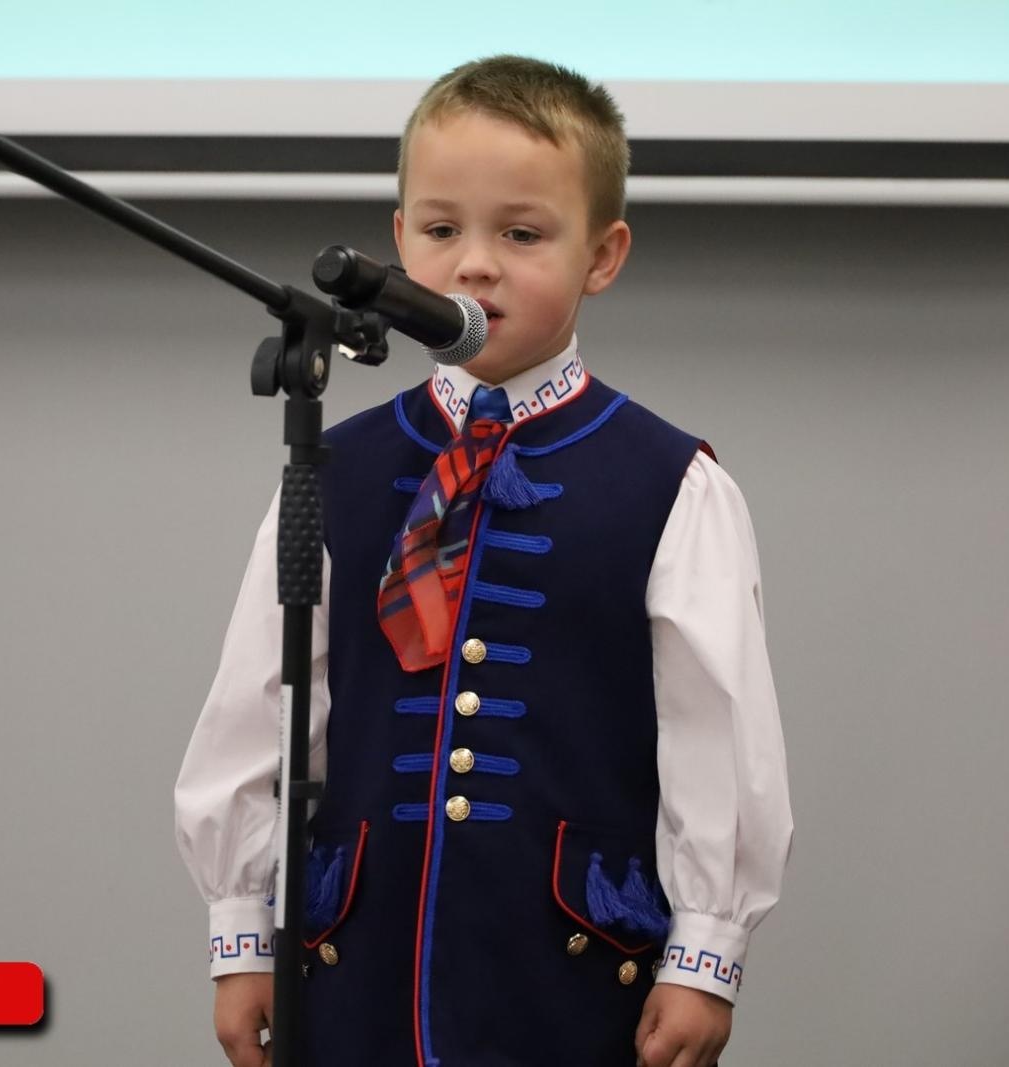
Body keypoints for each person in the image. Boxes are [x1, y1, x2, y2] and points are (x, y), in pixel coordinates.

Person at [175, 54, 792, 1067]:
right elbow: (262, 706)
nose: (474, 265)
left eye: (520, 233)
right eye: (441, 229)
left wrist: (705, 952)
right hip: (353, 964)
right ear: (397, 242)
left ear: (602, 253)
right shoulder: (332, 465)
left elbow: (716, 732)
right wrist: (242, 925)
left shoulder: (669, 482)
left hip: (567, 967)